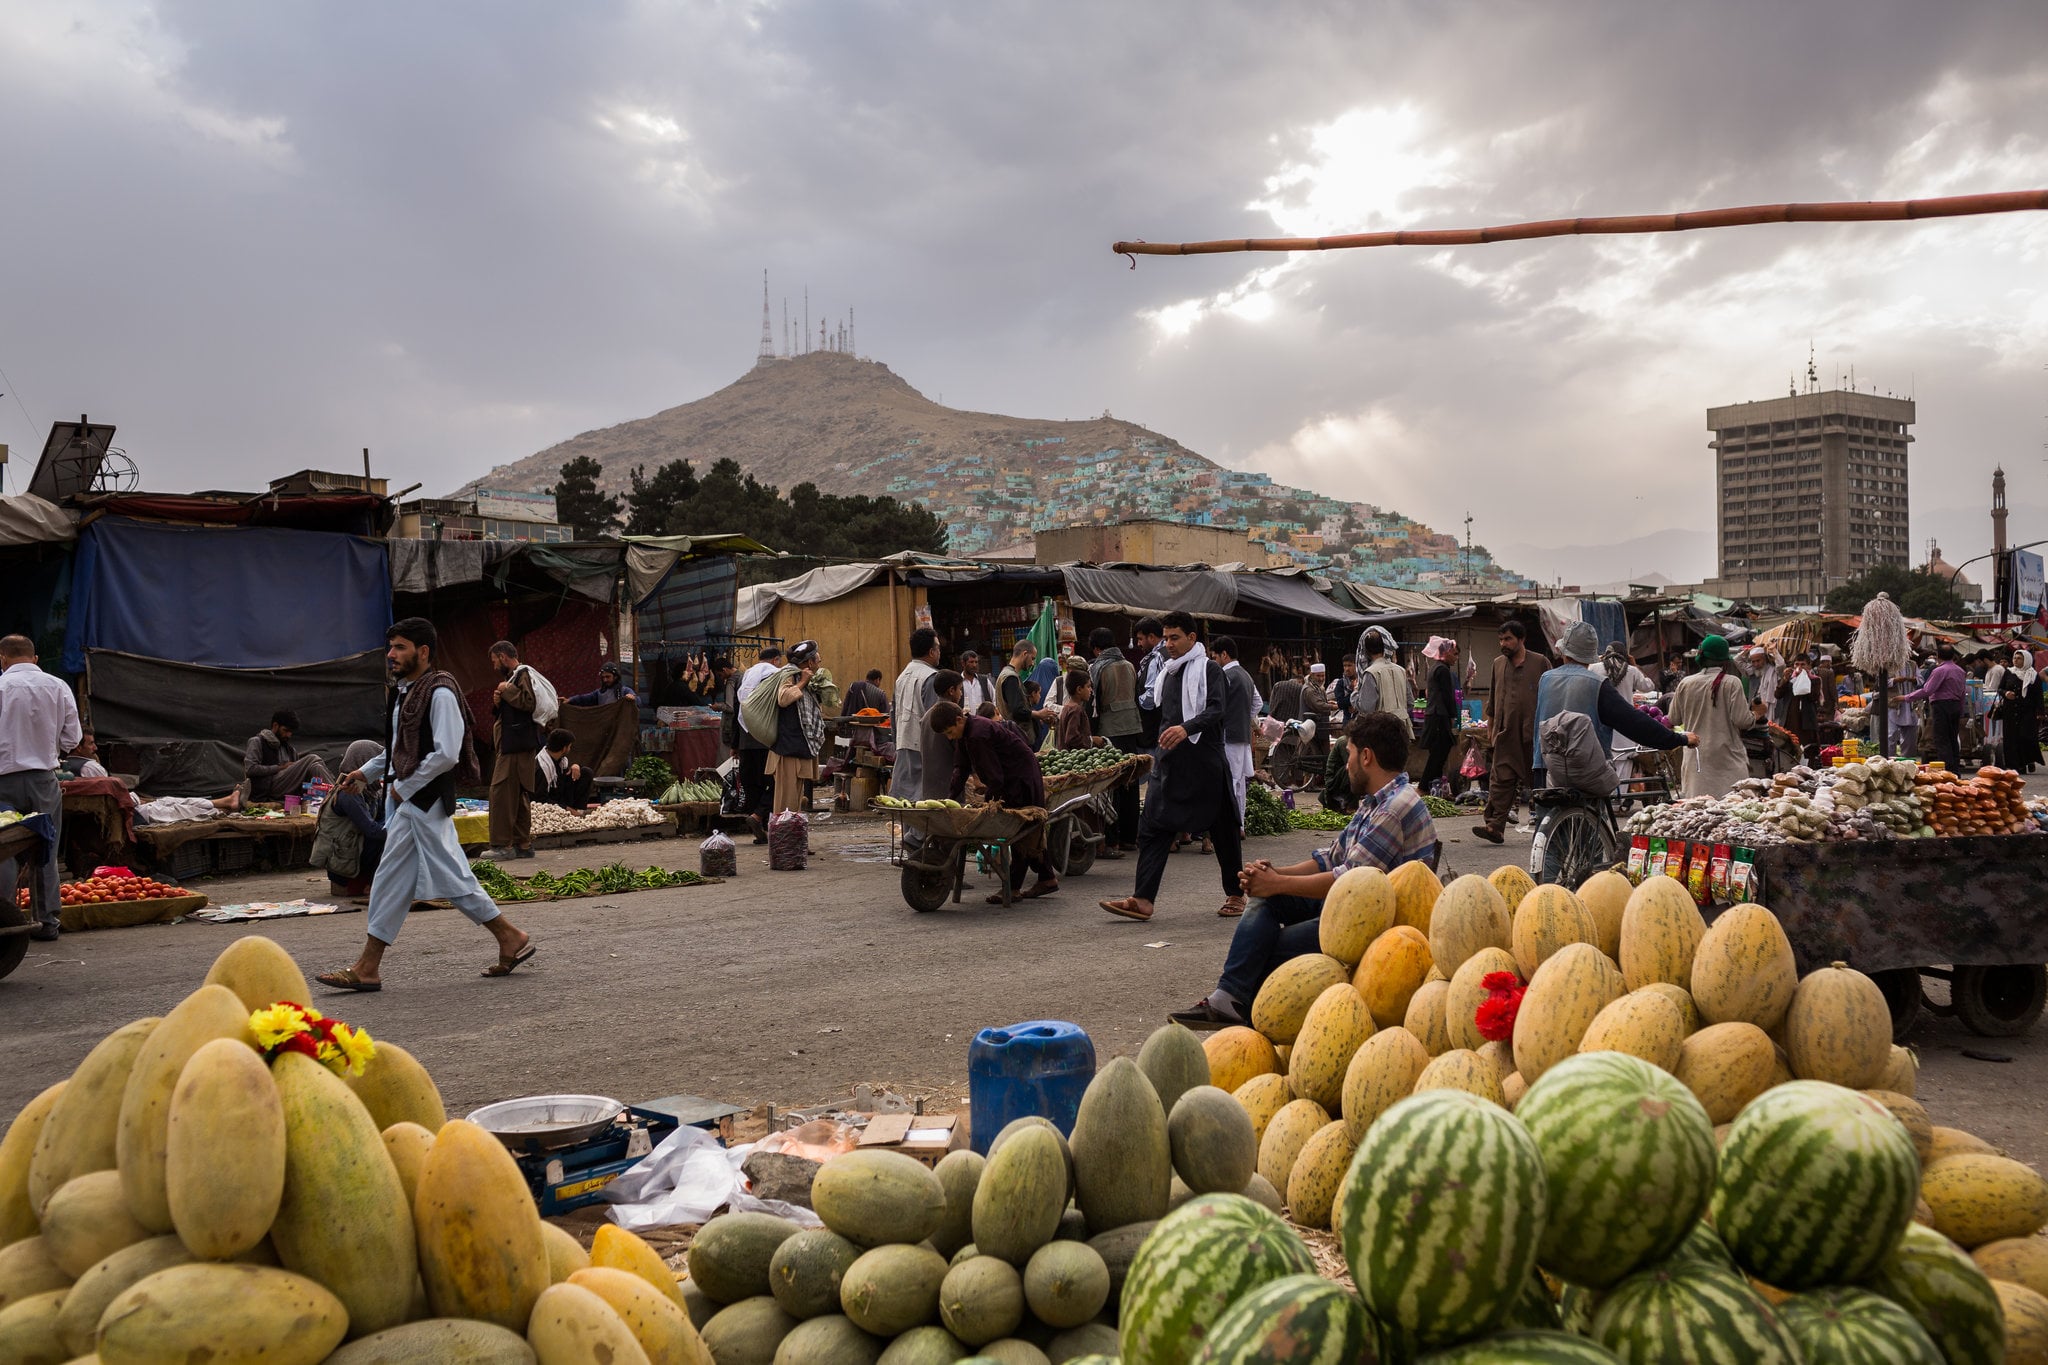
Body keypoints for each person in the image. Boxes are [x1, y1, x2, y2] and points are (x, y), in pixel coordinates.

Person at [1170, 712, 1436, 1028]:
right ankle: (1228, 999)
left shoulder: (1394, 810)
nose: (1346, 764)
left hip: (1371, 927)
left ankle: (1250, 1012)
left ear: (1366, 757)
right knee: (1265, 901)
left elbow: (1348, 880)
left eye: (1348, 753)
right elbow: (1331, 857)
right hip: (1351, 907)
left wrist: (1278, 883)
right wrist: (1273, 875)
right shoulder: (1378, 801)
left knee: (1267, 945)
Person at [318, 618, 533, 991]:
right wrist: (365, 773)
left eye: (399, 647)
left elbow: (446, 753)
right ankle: (507, 936)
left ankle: (369, 967)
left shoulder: (440, 693)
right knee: (399, 880)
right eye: (390, 647)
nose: (391, 654)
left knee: (435, 878)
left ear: (423, 652)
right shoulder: (408, 692)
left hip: (424, 801)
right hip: (412, 802)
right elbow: (399, 749)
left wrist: (407, 786)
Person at [1100, 611, 1242, 923]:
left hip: (1204, 763)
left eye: (1174, 637)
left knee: (1222, 830)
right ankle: (1142, 899)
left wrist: (1186, 728)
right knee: (1152, 827)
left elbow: (1218, 709)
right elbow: (1159, 713)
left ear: (1192, 638)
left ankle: (1235, 892)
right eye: (1166, 638)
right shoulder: (1168, 671)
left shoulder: (1209, 670)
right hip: (1170, 764)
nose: (1169, 644)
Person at [1533, 623, 1696, 789]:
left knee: (1547, 814)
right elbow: (1634, 723)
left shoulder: (1545, 679)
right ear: (1591, 655)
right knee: (1592, 810)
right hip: (1584, 772)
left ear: (1563, 652)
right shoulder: (1596, 684)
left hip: (1545, 768)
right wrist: (1678, 739)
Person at [932, 699, 1059, 903]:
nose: (950, 737)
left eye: (949, 732)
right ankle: (1047, 878)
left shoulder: (977, 735)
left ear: (959, 720)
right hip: (1014, 776)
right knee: (1027, 830)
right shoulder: (966, 734)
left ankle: (1014, 888)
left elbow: (996, 778)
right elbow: (961, 768)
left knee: (1019, 832)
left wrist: (989, 804)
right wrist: (949, 800)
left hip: (1020, 778)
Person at [0, 634, 81, 941]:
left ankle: (5, 920)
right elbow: (71, 740)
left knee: (3, 849)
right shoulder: (58, 686)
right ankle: (47, 922)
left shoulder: (1, 686)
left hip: (1, 783)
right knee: (44, 850)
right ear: (34, 659)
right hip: (43, 781)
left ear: (3, 658)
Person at [1475, 621, 1549, 843]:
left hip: (1533, 736)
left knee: (1539, 783)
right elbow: (1494, 699)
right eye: (1501, 639)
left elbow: (1552, 695)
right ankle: (1495, 827)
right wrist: (1491, 728)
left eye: (1507, 639)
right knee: (1500, 781)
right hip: (1505, 734)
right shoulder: (1498, 664)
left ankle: (1548, 826)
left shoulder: (1540, 663)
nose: (1503, 644)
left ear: (1521, 639)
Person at [1669, 636, 1759, 799]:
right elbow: (1742, 721)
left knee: (1697, 814)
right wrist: (1758, 713)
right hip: (1727, 760)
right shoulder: (1732, 683)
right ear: (1725, 661)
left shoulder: (1686, 683)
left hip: (1696, 759)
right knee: (1732, 812)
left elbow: (1674, 719)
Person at [485, 641, 543, 859]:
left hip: (516, 746)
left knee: (500, 792)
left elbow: (528, 703)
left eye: (494, 661)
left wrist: (506, 689)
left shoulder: (522, 674)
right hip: (516, 744)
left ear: (502, 656)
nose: (493, 666)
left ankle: (502, 846)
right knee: (517, 795)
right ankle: (523, 844)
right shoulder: (514, 677)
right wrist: (499, 701)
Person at [1089, 628, 1142, 859]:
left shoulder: (1098, 667)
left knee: (1111, 785)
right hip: (1132, 727)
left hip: (1110, 730)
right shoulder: (1130, 666)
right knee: (1131, 781)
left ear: (1097, 649)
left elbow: (1094, 703)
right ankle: (1130, 838)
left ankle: (1112, 840)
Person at [311, 739, 386, 898]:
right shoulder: (348, 793)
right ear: (364, 762)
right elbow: (372, 830)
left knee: (395, 830)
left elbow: (383, 817)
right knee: (389, 836)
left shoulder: (370, 791)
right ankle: (374, 885)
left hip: (354, 854)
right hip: (343, 865)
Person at [1211, 637, 1260, 852]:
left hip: (1228, 736)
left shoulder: (1226, 675)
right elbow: (1257, 702)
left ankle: (1232, 826)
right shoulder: (1246, 675)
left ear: (1224, 655)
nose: (1214, 661)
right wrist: (1245, 718)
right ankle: (1239, 825)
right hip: (1241, 736)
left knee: (1230, 783)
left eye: (1215, 657)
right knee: (1239, 784)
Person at [768, 642, 827, 814]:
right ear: (809, 662)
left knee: (794, 803)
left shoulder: (802, 676)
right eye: (817, 659)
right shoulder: (789, 675)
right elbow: (783, 698)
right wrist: (802, 681)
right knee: (785, 803)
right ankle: (783, 837)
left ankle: (791, 836)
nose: (819, 661)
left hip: (797, 747)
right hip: (787, 750)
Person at [890, 630, 941, 798]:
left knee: (906, 801)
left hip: (903, 742)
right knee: (924, 801)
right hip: (924, 747)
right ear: (932, 652)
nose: (939, 652)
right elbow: (934, 719)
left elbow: (893, 714)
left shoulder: (901, 677)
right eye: (938, 648)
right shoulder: (931, 677)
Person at [242, 710, 334, 803]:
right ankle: (336, 794)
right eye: (285, 730)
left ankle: (332, 799)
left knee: (315, 767)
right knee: (312, 758)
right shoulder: (257, 742)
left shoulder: (290, 750)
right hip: (268, 788)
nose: (288, 735)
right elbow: (250, 769)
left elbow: (298, 775)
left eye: (291, 732)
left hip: (289, 789)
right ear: (275, 726)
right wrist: (280, 768)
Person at [916, 670, 965, 802]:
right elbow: (961, 750)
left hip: (929, 787)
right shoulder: (952, 714)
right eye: (960, 689)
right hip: (949, 786)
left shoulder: (927, 715)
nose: (961, 694)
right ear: (951, 690)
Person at [1418, 637, 1460, 791]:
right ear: (1446, 653)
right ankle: (1423, 787)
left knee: (1438, 754)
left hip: (1434, 715)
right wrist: (1453, 716)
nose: (1456, 658)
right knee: (1438, 755)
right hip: (1439, 716)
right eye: (1454, 654)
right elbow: (1448, 697)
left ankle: (1434, 788)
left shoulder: (1436, 668)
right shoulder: (1442, 670)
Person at [999, 641, 1055, 740]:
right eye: (1032, 658)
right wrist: (1038, 714)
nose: (1033, 663)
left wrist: (1038, 718)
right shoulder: (1010, 677)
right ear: (1024, 654)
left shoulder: (1010, 674)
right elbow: (1017, 711)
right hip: (1016, 737)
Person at [1361, 633, 1412, 734]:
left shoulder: (1371, 672)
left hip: (1381, 730)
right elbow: (1410, 702)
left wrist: (1354, 696)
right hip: (1402, 728)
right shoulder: (1401, 670)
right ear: (1384, 647)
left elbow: (1367, 708)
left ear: (1366, 651)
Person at [2001, 650, 2041, 774]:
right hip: (2011, 711)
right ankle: (2014, 765)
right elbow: (2000, 688)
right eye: (2015, 658)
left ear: (2026, 660)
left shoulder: (2034, 675)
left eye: (2019, 658)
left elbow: (2038, 695)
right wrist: (2006, 693)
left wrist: (2040, 712)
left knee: (2025, 737)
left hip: (2027, 712)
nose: (2016, 660)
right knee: (2011, 738)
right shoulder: (2009, 673)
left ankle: (2027, 761)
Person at [1131, 617, 1167, 748]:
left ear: (1151, 637)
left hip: (1153, 726)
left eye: (1140, 639)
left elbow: (1152, 695)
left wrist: (1136, 703)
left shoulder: (1156, 659)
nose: (1139, 644)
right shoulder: (1163, 655)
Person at [536, 728, 594, 807]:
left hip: (560, 795)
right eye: (569, 746)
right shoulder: (542, 767)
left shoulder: (560, 760)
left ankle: (578, 811)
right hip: (549, 802)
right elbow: (540, 799)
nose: (570, 749)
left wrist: (575, 766)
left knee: (585, 772)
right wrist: (565, 808)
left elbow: (565, 774)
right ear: (564, 748)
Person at [1776, 656, 1820, 761]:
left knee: (1806, 751)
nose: (1799, 667)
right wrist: (1785, 680)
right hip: (1789, 721)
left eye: (1802, 664)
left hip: (1805, 723)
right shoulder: (1790, 679)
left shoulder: (1815, 680)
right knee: (1789, 749)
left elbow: (1813, 697)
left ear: (1809, 666)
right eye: (1797, 664)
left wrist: (1804, 680)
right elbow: (1777, 695)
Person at [1056, 671, 1104, 750]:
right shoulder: (1076, 710)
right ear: (1079, 690)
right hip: (1073, 758)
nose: (1091, 690)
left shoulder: (1067, 707)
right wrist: (1092, 740)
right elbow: (1072, 738)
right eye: (1088, 687)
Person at [565, 662, 636, 708]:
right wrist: (570, 700)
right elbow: (584, 698)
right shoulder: (599, 693)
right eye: (603, 677)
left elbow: (636, 700)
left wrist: (631, 698)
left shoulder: (624, 690)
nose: (605, 680)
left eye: (608, 677)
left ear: (615, 677)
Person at [1888, 664, 1922, 759]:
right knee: (1891, 735)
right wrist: (1895, 680)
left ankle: (1907, 760)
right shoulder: (1889, 665)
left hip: (1910, 704)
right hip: (1894, 704)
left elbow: (1921, 680)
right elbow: (1881, 683)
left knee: (1910, 736)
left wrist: (1912, 679)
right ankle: (1888, 759)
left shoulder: (1913, 664)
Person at [959, 650, 998, 715]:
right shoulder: (958, 682)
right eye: (971, 662)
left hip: (984, 720)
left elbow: (994, 699)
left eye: (976, 662)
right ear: (963, 663)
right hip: (965, 721)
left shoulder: (984, 680)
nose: (974, 665)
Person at [1331, 657, 1359, 724]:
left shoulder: (1362, 681)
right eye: (1345, 666)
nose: (1347, 669)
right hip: (1348, 720)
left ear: (1356, 665)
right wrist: (1354, 691)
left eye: (1349, 665)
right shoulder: (1341, 683)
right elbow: (1340, 703)